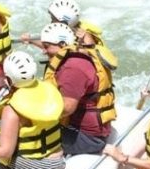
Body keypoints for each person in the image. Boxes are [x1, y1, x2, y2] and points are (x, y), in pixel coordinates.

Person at [37, 22, 116, 155]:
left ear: (62, 45)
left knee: (28, 134)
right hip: (86, 131)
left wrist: (32, 112)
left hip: (86, 138)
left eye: (46, 46)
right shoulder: (78, 56)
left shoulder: (73, 68)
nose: (43, 51)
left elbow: (67, 108)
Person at [17, 0, 118, 70]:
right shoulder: (67, 31)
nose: (51, 23)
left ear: (64, 22)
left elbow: (93, 61)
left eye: (53, 19)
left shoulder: (84, 37)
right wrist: (30, 39)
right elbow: (51, 44)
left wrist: (82, 47)